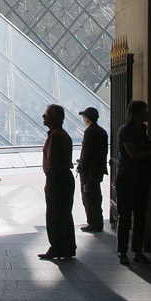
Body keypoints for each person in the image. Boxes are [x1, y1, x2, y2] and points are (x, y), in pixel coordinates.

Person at [115, 99, 151, 266]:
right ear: (137, 113)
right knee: (126, 217)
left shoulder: (141, 129)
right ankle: (123, 251)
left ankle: (136, 251)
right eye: (145, 111)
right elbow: (133, 154)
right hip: (127, 178)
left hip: (139, 177)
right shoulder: (126, 131)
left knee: (140, 216)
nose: (148, 114)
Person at [38, 104, 76, 261]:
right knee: (65, 214)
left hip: (57, 179)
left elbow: (53, 162)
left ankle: (57, 247)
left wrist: (50, 181)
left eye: (46, 114)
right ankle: (67, 247)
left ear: (54, 117)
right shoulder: (62, 134)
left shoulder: (55, 136)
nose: (43, 116)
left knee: (54, 214)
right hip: (64, 178)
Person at [77, 106, 108, 233]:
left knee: (88, 198)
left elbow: (87, 153)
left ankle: (93, 223)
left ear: (87, 119)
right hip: (98, 170)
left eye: (84, 117)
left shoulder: (89, 132)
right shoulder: (102, 131)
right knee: (96, 196)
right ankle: (98, 222)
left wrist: (81, 167)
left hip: (89, 172)